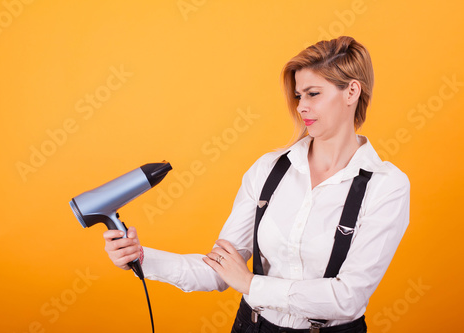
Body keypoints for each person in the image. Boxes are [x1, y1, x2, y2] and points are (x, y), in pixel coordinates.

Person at [103, 36, 410, 332]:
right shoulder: (269, 170)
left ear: (351, 92)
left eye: (313, 93)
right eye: (298, 95)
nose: (302, 106)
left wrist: (251, 285)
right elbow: (220, 272)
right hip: (252, 327)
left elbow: (348, 298)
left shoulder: (386, 186)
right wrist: (142, 258)